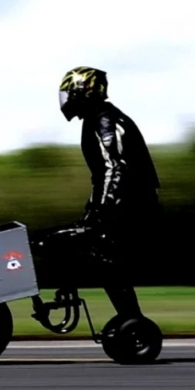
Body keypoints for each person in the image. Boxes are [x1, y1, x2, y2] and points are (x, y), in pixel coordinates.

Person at [55, 66, 162, 321]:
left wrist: (101, 209)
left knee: (105, 258)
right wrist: (92, 209)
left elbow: (114, 168)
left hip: (133, 206)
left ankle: (133, 322)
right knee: (99, 256)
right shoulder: (97, 118)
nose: (66, 99)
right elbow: (102, 176)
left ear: (85, 91)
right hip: (127, 203)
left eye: (70, 93)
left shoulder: (105, 120)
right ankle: (130, 320)